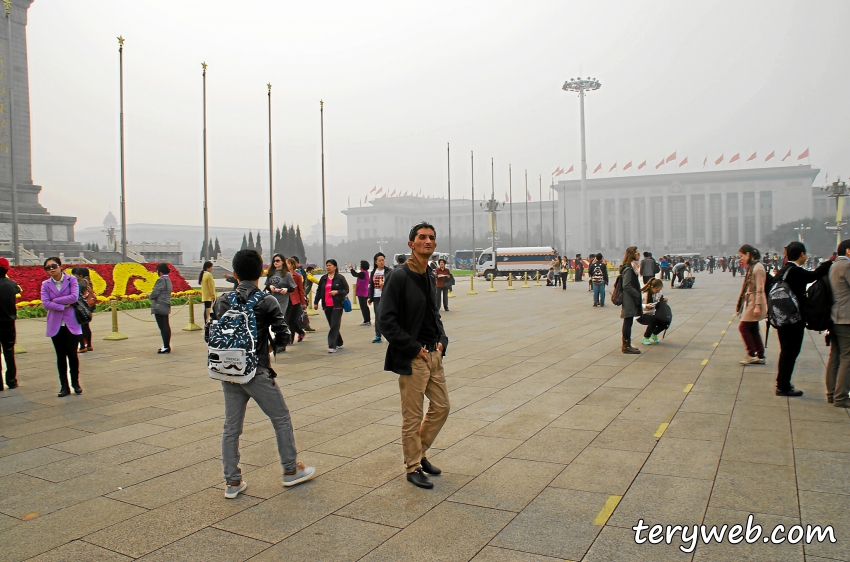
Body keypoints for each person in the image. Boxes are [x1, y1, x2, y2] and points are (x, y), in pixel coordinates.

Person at [213, 249, 314, 499]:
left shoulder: (221, 301)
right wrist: (269, 348)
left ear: (235, 274)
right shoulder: (265, 300)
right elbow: (284, 335)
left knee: (231, 427)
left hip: (228, 371)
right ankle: (290, 471)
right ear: (261, 272)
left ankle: (232, 481)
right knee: (280, 418)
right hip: (256, 370)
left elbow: (211, 335)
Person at [380, 221, 449, 489]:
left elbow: (434, 313)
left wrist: (442, 340)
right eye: (422, 237)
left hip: (434, 354)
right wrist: (413, 348)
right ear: (411, 244)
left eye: (431, 237)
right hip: (413, 356)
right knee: (412, 416)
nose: (428, 241)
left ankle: (419, 453)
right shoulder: (398, 276)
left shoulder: (430, 273)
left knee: (442, 407)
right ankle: (412, 467)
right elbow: (386, 322)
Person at [773, 242, 831, 397]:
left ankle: (782, 382)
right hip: (793, 319)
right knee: (791, 351)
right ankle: (783, 386)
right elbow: (813, 276)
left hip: (781, 317)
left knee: (785, 350)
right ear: (802, 254)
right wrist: (830, 262)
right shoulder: (795, 271)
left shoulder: (784, 270)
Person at [41, 257, 83, 397]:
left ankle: (75, 384)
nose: (51, 269)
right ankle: (64, 387)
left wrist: (55, 300)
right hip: (56, 325)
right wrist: (61, 305)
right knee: (60, 356)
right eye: (48, 267)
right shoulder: (45, 284)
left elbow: (74, 297)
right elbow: (45, 304)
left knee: (72, 354)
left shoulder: (71, 280)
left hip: (71, 323)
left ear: (60, 266)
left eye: (54, 266)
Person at [826, 239, 850, 406]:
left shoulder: (834, 265)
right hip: (845, 318)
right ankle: (841, 397)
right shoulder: (847, 266)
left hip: (834, 317)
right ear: (848, 251)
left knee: (835, 356)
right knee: (847, 357)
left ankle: (832, 393)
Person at [736, 244, 767, 365]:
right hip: (751, 299)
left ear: (748, 254)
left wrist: (758, 306)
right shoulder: (753, 266)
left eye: (742, 256)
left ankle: (751, 353)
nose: (741, 258)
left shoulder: (758, 268)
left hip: (755, 301)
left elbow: (760, 288)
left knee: (743, 327)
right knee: (753, 329)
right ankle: (760, 355)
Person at [313, 259, 349, 353]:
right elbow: (319, 291)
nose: (328, 267)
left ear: (335, 267)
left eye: (330, 265)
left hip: (337, 305)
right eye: (327, 265)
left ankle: (332, 346)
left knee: (334, 325)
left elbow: (346, 290)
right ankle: (339, 342)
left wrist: (337, 292)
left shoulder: (340, 278)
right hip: (326, 305)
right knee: (333, 325)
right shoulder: (323, 278)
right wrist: (316, 302)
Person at [0, 257, 20, 390]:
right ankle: (11, 380)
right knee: (9, 352)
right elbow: (18, 291)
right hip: (8, 323)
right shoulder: (12, 284)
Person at [619, 246, 642, 354]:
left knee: (628, 321)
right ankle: (626, 346)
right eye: (638, 253)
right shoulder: (629, 268)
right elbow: (626, 285)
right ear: (633, 254)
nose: (639, 255)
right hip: (629, 299)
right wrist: (636, 294)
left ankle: (627, 344)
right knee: (628, 321)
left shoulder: (632, 267)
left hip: (630, 298)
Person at [149, 263, 173, 353]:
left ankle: (166, 346)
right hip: (166, 305)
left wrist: (150, 296)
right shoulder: (168, 280)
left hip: (159, 305)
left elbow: (156, 292)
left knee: (163, 327)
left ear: (160, 271)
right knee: (166, 325)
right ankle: (167, 345)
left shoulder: (161, 280)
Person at [265, 254, 295, 321]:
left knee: (280, 317)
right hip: (272, 299)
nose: (275, 262)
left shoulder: (287, 274)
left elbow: (292, 288)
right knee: (272, 318)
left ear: (283, 262)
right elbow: (267, 286)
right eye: (274, 261)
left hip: (283, 300)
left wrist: (286, 289)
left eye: (277, 261)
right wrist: (270, 286)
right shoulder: (270, 273)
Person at [639, 278, 669, 345]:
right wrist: (645, 306)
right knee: (653, 320)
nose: (658, 291)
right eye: (657, 290)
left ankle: (654, 333)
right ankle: (646, 337)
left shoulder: (658, 293)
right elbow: (636, 304)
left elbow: (660, 303)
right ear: (652, 287)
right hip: (641, 314)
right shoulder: (644, 294)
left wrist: (664, 300)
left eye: (660, 290)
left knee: (665, 321)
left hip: (653, 313)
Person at [284, 258, 307, 344]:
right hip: (286, 301)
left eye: (288, 264)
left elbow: (301, 290)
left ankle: (291, 339)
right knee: (288, 320)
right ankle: (301, 332)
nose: (286, 265)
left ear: (293, 265)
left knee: (290, 320)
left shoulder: (297, 276)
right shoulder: (284, 275)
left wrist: (303, 303)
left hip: (295, 301)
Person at [368, 252, 387, 343]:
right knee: (378, 316)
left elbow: (393, 283)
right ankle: (378, 335)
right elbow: (371, 286)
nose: (381, 262)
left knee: (387, 316)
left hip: (386, 296)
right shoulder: (373, 272)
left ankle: (389, 335)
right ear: (376, 262)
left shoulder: (388, 271)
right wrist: (370, 297)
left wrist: (385, 285)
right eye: (379, 260)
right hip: (376, 297)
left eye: (383, 260)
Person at [73, 268, 93, 353]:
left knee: (80, 326)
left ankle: (82, 346)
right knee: (86, 326)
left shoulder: (81, 283)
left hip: (81, 307)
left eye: (77, 276)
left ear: (80, 275)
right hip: (89, 307)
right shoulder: (89, 282)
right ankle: (88, 345)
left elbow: (75, 294)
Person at [349, 260, 371, 326]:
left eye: (360, 265)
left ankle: (366, 320)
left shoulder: (363, 273)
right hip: (364, 292)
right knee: (365, 306)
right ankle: (367, 320)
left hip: (362, 292)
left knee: (363, 307)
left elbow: (355, 274)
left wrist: (351, 269)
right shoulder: (365, 273)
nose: (359, 266)